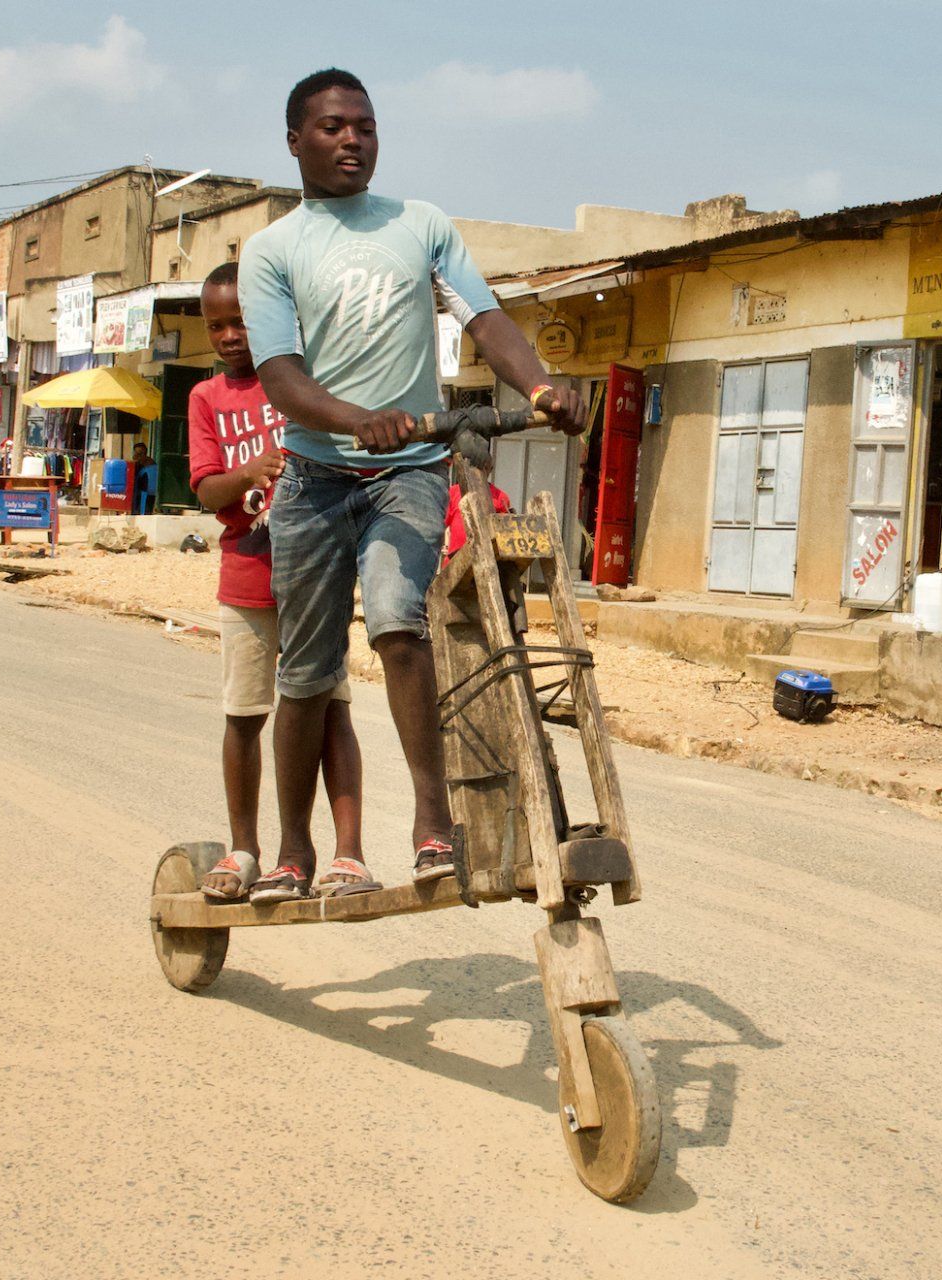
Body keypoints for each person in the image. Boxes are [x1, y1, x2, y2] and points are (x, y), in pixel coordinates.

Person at [240, 68, 586, 894]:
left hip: (408, 472)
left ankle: (435, 827)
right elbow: (282, 378)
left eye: (364, 126)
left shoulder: (420, 225)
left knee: (400, 623)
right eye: (332, 127)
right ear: (295, 141)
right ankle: (294, 850)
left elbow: (484, 318)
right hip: (314, 482)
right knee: (307, 672)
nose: (351, 140)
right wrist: (356, 418)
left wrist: (540, 387)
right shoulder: (271, 250)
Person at [186, 261, 373, 902]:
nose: (230, 335)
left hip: (316, 575)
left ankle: (348, 853)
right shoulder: (207, 398)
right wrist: (249, 474)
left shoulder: (297, 382)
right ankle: (245, 850)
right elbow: (208, 490)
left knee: (330, 710)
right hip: (247, 577)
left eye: (241, 321)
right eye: (217, 326)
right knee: (245, 716)